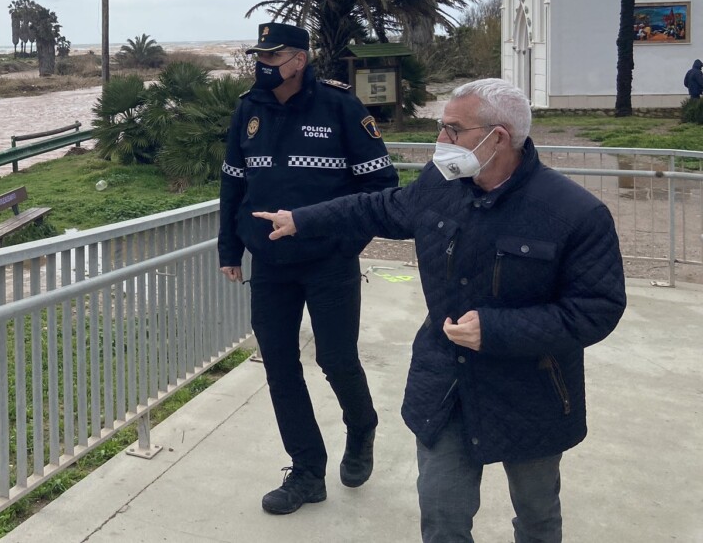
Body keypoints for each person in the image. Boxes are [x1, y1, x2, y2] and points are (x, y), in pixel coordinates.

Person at [255, 78, 626, 542]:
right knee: (442, 518)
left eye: (453, 129)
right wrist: (302, 219)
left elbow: (597, 308)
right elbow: (379, 207)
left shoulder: (575, 213)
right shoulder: (440, 185)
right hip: (445, 385)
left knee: (537, 516)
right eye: (441, 127)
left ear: (498, 137)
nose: (441, 141)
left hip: (533, 392)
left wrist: (496, 329)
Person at [218, 21, 399, 515]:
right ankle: (306, 471)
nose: (264, 65)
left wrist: (343, 242)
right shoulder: (248, 109)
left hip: (329, 263)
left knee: (336, 359)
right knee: (279, 366)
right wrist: (230, 251)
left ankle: (361, 427)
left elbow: (380, 190)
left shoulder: (342, 107)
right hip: (270, 265)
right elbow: (234, 185)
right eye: (261, 56)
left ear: (299, 59)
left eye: (274, 57)